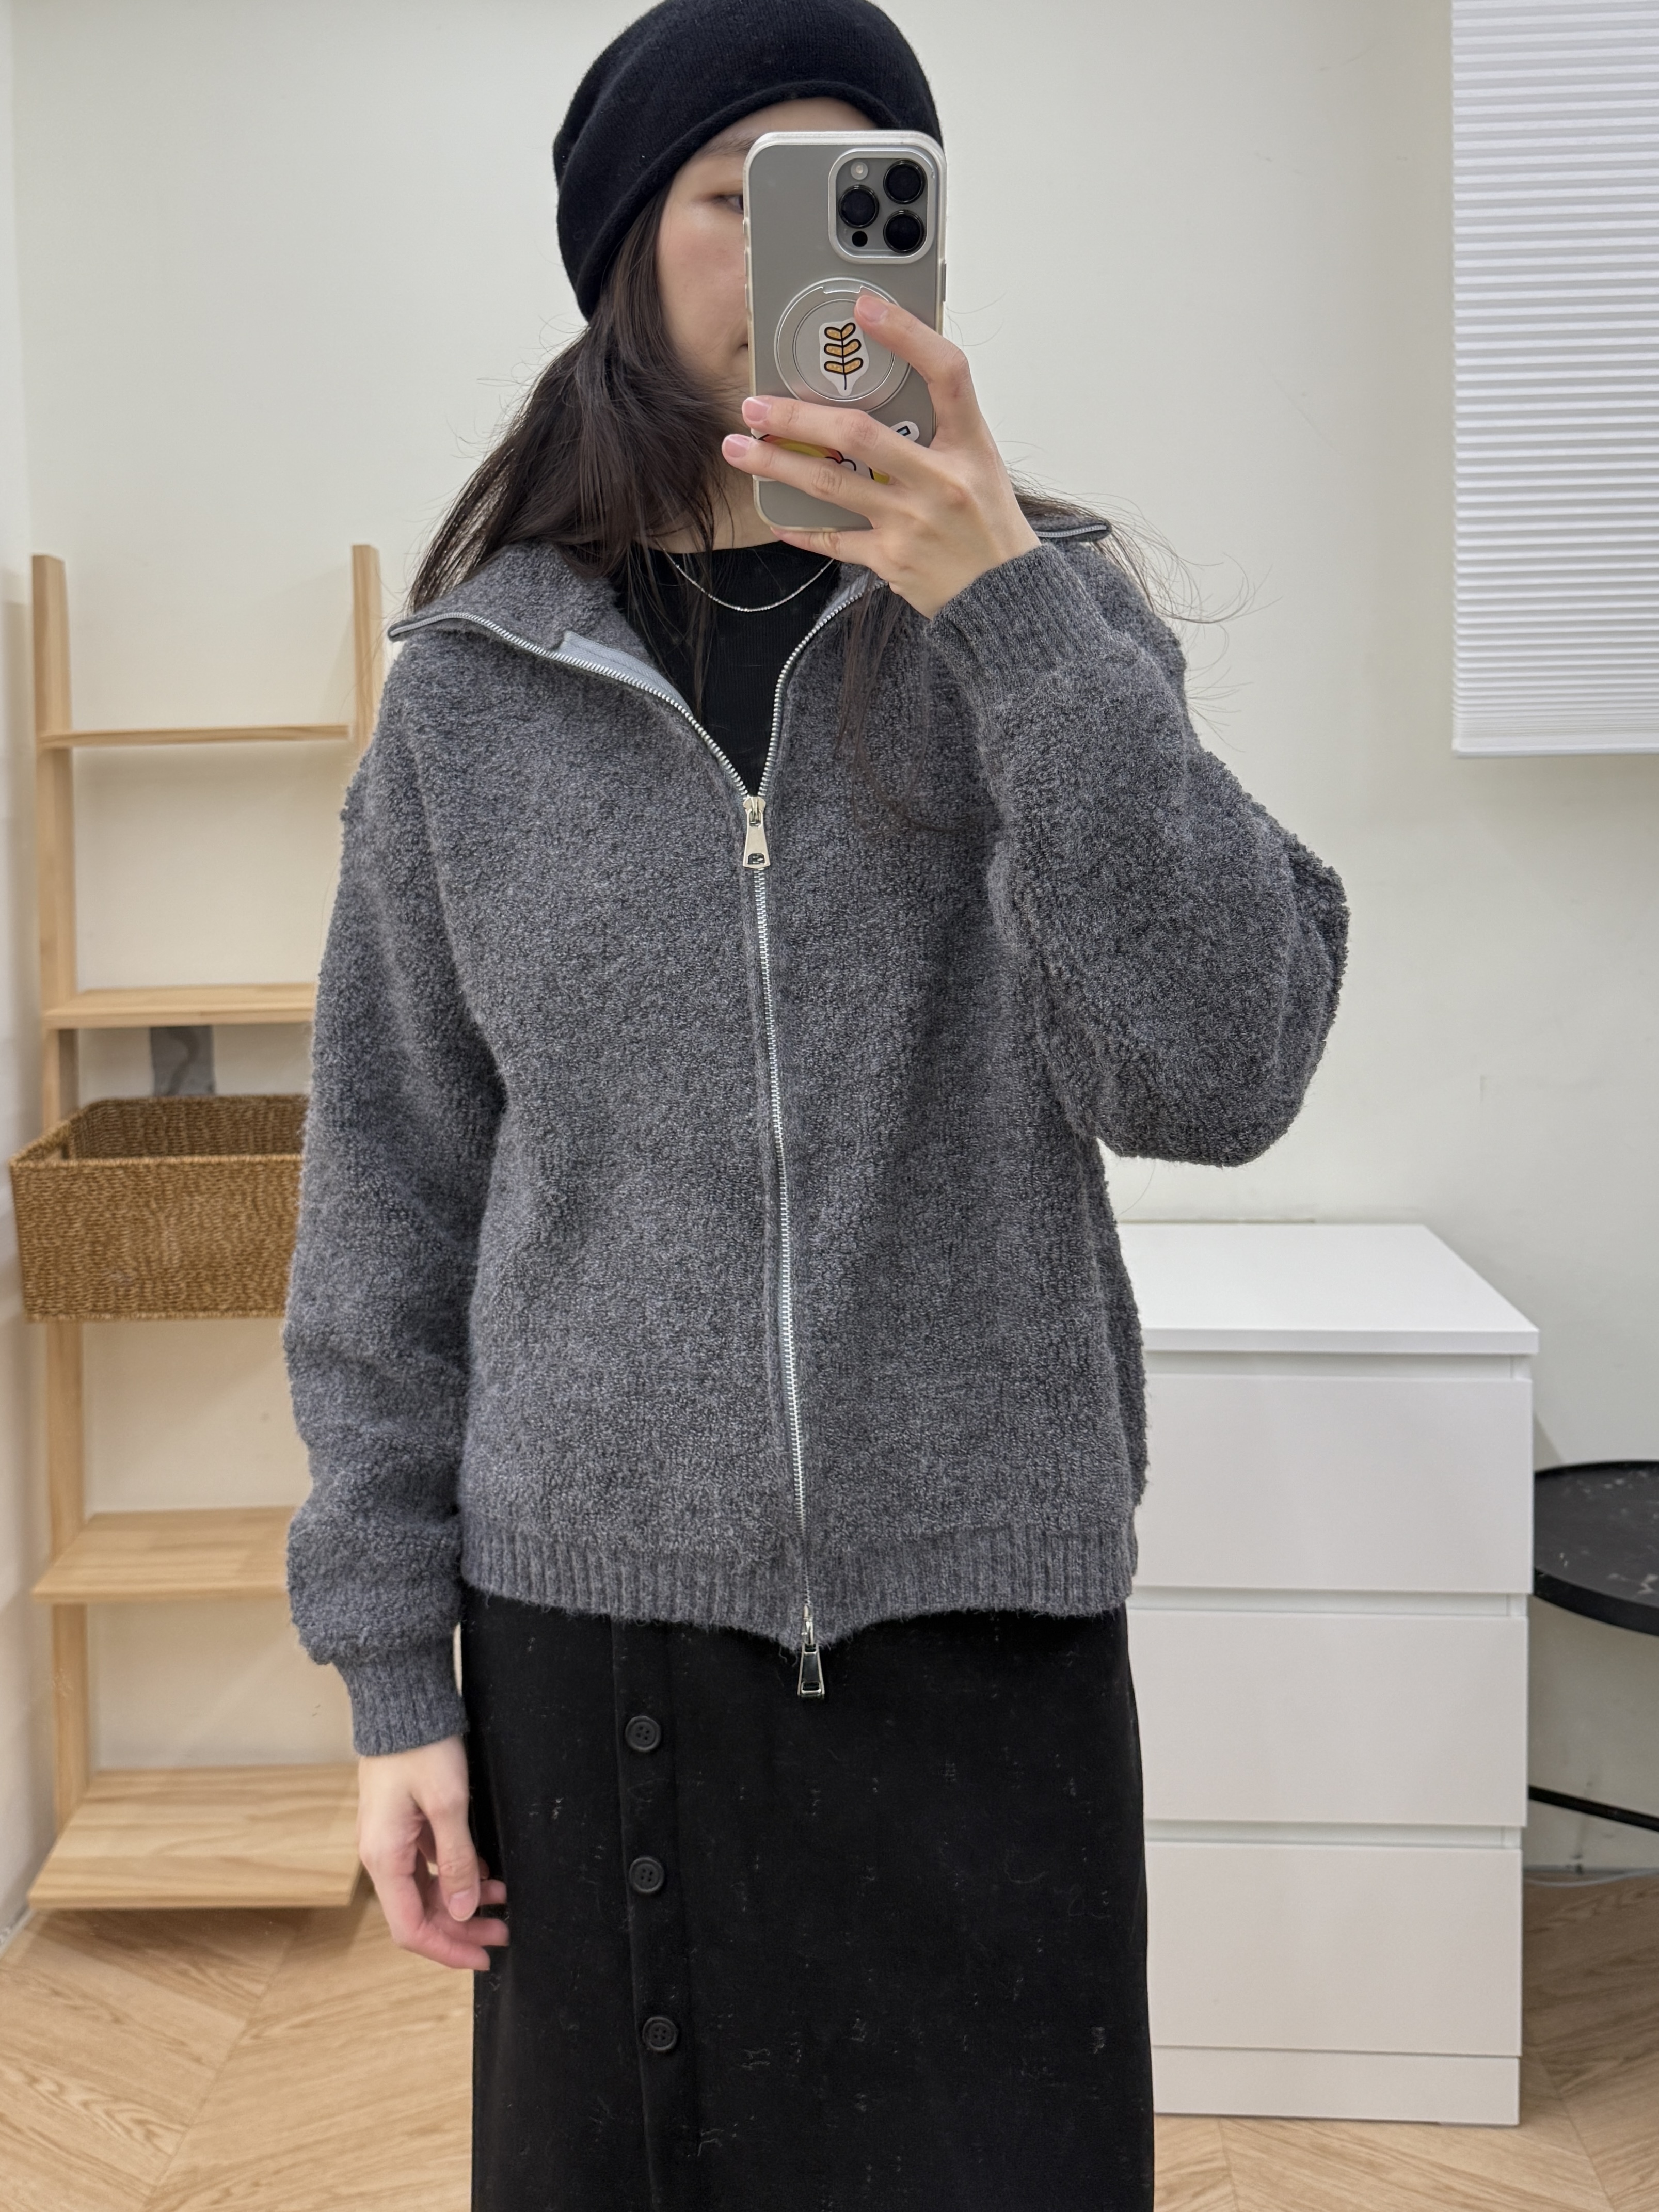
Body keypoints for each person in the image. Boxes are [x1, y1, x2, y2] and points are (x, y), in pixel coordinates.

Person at [283, 2, 1348, 2205]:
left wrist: (1009, 617)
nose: (804, 256)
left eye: (865, 193)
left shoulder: (1045, 624)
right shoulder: (477, 695)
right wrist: (395, 1680)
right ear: (622, 254)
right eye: (735, 195)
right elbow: (389, 1197)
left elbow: (1223, 1072)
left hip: (984, 1634)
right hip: (595, 1641)